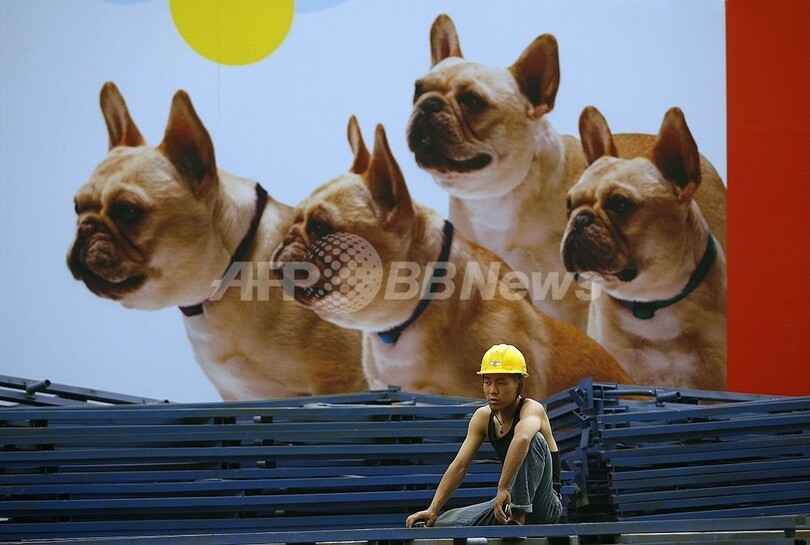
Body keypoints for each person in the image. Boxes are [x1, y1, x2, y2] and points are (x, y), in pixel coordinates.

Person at [405, 343, 563, 526]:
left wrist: (503, 488)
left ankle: (517, 520)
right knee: (441, 523)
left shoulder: (532, 409)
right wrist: (432, 509)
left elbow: (523, 439)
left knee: (535, 439)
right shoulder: (482, 417)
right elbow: (460, 465)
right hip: (508, 502)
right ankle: (511, 516)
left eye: (501, 382)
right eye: (487, 381)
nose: (492, 390)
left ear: (519, 384)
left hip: (545, 504)